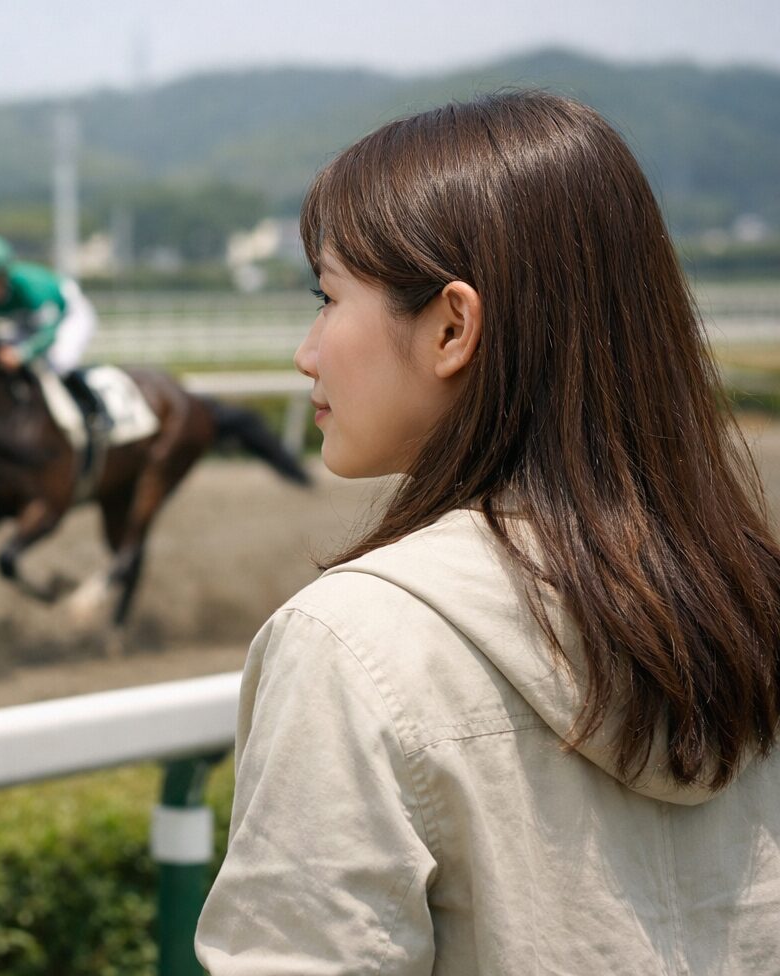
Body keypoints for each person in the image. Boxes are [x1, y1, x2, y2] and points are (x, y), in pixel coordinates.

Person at [196, 92, 780, 973]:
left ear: (452, 326)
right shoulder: (753, 600)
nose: (305, 352)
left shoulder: (351, 644)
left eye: (326, 296)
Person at [0, 233, 108, 432]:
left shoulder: (33, 287)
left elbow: (49, 333)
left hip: (68, 314)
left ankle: (95, 409)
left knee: (59, 360)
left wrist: (23, 353)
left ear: (3, 274)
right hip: (28, 320)